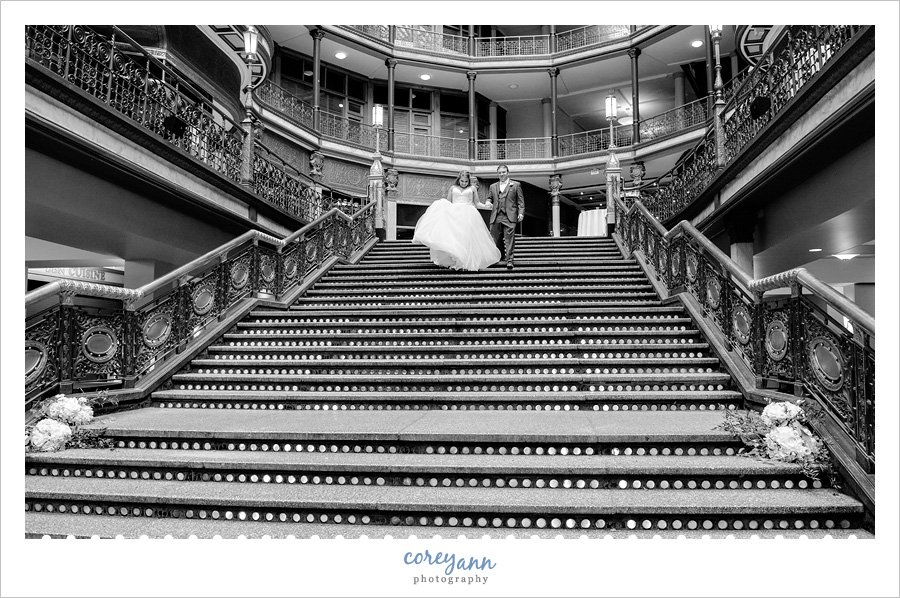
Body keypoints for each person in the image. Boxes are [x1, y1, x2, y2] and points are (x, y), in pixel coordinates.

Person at [412, 170, 501, 271]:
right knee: (455, 237)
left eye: (466, 181)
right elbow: (448, 202)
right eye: (462, 181)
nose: (464, 183)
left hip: (468, 214)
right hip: (455, 214)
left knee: (466, 237)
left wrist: (486, 206)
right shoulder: (453, 188)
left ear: (468, 181)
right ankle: (455, 260)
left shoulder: (472, 188)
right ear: (459, 180)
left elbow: (477, 203)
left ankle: (465, 261)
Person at [487, 164, 525, 269]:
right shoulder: (492, 186)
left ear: (508, 173)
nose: (501, 174)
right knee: (495, 238)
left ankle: (509, 260)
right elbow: (490, 198)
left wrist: (521, 213)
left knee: (509, 239)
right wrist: (488, 202)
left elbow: (520, 201)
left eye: (503, 172)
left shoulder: (516, 185)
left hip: (510, 216)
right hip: (496, 215)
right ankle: (500, 257)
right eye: (499, 173)